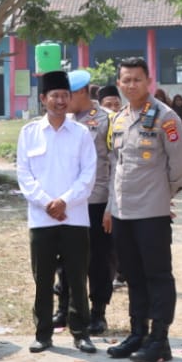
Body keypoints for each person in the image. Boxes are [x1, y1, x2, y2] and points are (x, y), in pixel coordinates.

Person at [103, 58, 182, 362]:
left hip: (152, 212)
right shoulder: (120, 118)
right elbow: (115, 166)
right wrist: (111, 207)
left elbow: (180, 168)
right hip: (124, 212)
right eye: (125, 80)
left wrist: (163, 196)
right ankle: (137, 332)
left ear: (148, 81)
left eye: (136, 80)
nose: (130, 85)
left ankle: (159, 339)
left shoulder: (166, 118)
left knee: (158, 276)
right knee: (134, 277)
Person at [16, 69, 98, 355]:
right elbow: (24, 176)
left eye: (65, 95)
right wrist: (47, 203)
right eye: (54, 96)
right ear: (43, 99)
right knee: (43, 279)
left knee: (77, 277)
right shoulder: (28, 134)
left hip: (75, 217)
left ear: (70, 97)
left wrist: (64, 201)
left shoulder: (81, 133)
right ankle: (43, 333)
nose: (60, 101)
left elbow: (88, 174)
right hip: (41, 220)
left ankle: (81, 332)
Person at [58, 69, 115, 335]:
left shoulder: (106, 121)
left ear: (81, 92)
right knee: (66, 257)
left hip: (96, 200)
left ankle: (98, 312)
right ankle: (65, 308)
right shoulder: (62, 121)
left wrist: (112, 205)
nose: (63, 100)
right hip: (68, 202)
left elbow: (116, 165)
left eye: (67, 95)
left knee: (98, 260)